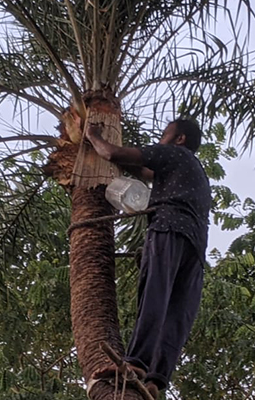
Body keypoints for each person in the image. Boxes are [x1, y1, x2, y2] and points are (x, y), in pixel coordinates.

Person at [85, 119, 212, 399]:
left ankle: (134, 363)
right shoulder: (194, 170)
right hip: (195, 246)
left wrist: (93, 135)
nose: (161, 139)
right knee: (177, 314)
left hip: (169, 228)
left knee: (154, 296)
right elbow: (143, 171)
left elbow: (112, 154)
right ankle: (156, 380)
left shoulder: (175, 154)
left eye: (165, 134)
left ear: (179, 139)